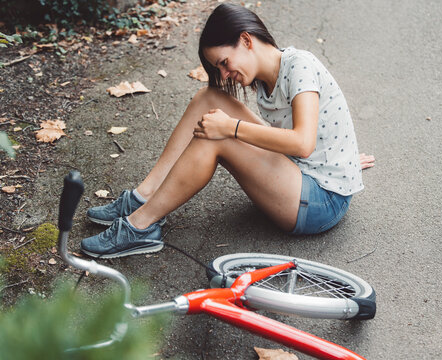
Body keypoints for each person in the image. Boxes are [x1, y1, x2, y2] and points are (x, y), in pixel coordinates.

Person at [80, 3, 375, 259]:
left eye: (224, 63)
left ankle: (140, 227)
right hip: (303, 176)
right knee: (207, 98)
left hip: (321, 203)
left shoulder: (300, 66)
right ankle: (143, 196)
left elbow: (303, 143)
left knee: (216, 137)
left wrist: (231, 128)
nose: (223, 74)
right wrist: (342, 158)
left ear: (246, 40)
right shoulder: (264, 78)